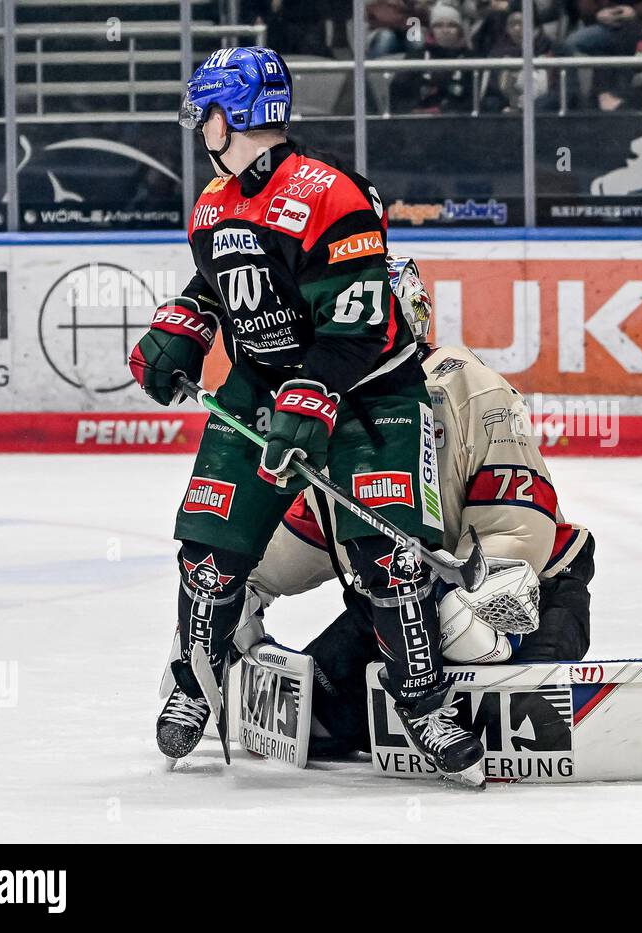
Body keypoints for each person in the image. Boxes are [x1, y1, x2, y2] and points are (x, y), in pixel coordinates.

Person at [130, 46, 486, 786]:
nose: (200, 124)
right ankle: (195, 681)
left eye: (207, 109)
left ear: (239, 113)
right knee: (208, 552)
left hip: (368, 394)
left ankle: (423, 703)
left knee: (388, 560)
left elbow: (356, 326)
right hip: (260, 392)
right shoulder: (215, 201)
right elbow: (221, 283)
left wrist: (313, 397)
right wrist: (183, 328)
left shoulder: (334, 195)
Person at [243, 256, 595, 757]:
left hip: (529, 593)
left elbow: (519, 521)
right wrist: (239, 587)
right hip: (399, 601)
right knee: (310, 722)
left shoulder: (466, 384)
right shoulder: (327, 404)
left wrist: (470, 600)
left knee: (509, 724)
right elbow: (314, 530)